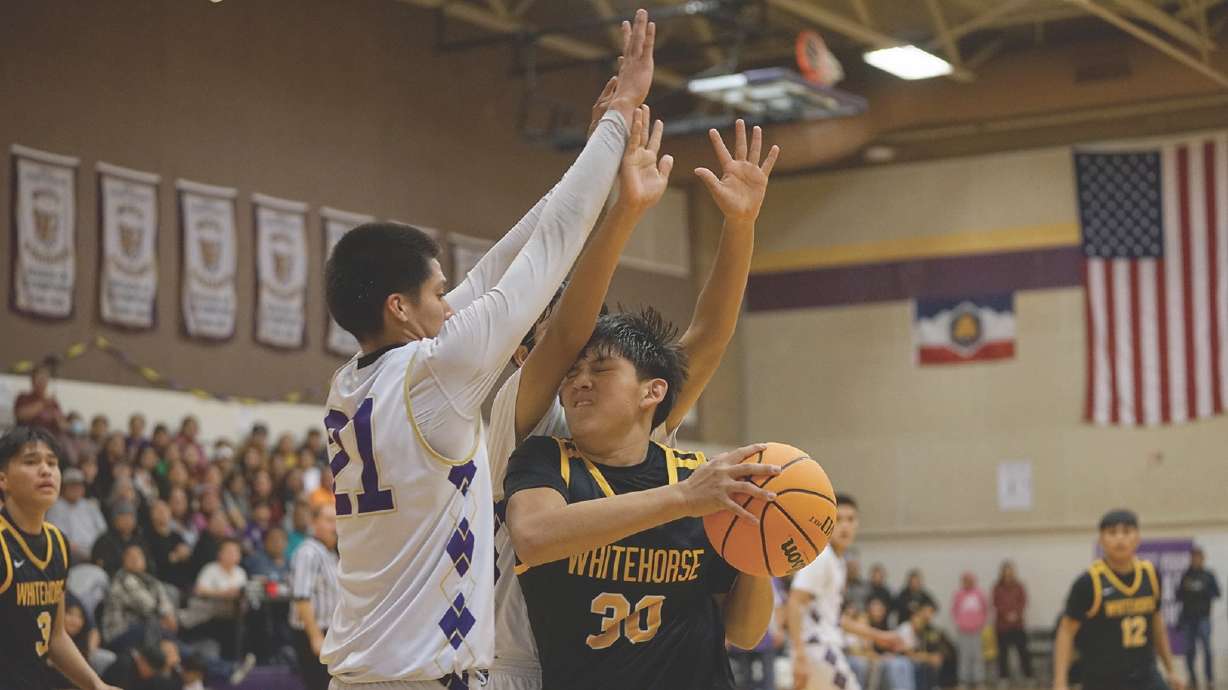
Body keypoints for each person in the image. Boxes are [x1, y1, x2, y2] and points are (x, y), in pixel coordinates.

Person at [319, 11, 654, 688]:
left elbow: (500, 262)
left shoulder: (354, 381)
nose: (452, 301)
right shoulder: (437, 372)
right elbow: (549, 247)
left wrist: (592, 156)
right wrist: (621, 114)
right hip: (424, 678)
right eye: (437, 292)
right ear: (400, 308)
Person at [486, 91, 777, 689]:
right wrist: (618, 202)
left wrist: (741, 226)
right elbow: (570, 327)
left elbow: (708, 338)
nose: (576, 372)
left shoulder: (665, 453)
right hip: (521, 661)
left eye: (596, 364)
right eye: (568, 360)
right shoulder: (528, 433)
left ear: (649, 393)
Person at [504, 306, 781, 689]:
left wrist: (758, 542)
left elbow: (745, 633)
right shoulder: (545, 460)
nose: (579, 381)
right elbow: (533, 536)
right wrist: (683, 498)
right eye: (571, 372)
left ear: (653, 391)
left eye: (600, 369)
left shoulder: (698, 477)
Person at [0, 426, 122, 690]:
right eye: (31, 462)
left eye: (52, 463)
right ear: (3, 480)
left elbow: (55, 638)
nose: (46, 470)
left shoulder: (58, 542)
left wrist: (96, 684)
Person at [1054, 509, 1184, 690]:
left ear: (1137, 538)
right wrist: (1060, 682)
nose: (1120, 539)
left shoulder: (1151, 574)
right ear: (1101, 539)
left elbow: (1156, 623)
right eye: (1112, 533)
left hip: (1146, 676)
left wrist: (1171, 670)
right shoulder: (1089, 582)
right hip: (1103, 679)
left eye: (1126, 532)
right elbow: (1066, 631)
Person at [788, 495, 905, 690]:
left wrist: (878, 636)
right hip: (817, 649)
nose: (845, 526)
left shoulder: (839, 562)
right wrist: (799, 654)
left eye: (850, 519)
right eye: (838, 519)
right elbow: (794, 601)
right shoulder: (821, 557)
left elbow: (835, 619)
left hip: (823, 648)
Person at [289, 504, 339, 690]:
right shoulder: (307, 552)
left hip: (331, 631)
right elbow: (301, 597)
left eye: (336, 521)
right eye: (329, 521)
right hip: (312, 632)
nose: (334, 526)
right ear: (314, 522)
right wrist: (315, 636)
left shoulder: (332, 553)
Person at [100, 542, 178, 654]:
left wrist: (169, 615)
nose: (135, 559)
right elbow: (146, 605)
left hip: (144, 630)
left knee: (163, 632)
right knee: (154, 629)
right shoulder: (122, 579)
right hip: (119, 635)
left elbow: (165, 602)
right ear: (123, 561)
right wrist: (164, 616)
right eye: (130, 556)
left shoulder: (152, 581)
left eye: (139, 555)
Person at [1177, 546, 1219, 690]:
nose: (1195, 560)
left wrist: (1203, 591)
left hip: (1203, 618)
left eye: (1198, 557)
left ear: (1203, 558)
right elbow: (1178, 596)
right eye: (1193, 557)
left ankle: (1209, 680)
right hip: (1188, 619)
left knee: (1207, 650)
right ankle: (1192, 680)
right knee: (1189, 651)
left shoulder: (1208, 575)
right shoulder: (1186, 576)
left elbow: (1217, 593)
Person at [47, 467, 108, 564]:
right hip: (71, 556)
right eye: (72, 486)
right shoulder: (55, 508)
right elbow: (58, 538)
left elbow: (103, 531)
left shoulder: (91, 505)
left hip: (95, 552)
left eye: (79, 486)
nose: (76, 489)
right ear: (63, 488)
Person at [992, 560, 1032, 683]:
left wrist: (1016, 614)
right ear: (1002, 573)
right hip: (1002, 626)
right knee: (1003, 654)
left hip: (1018, 625)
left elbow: (1023, 601)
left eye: (1010, 572)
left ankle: (1029, 676)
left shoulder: (1019, 586)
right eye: (1006, 572)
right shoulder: (997, 587)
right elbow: (996, 603)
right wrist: (1006, 614)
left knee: (1023, 652)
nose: (1008, 575)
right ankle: (1004, 677)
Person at [90, 498, 151, 577]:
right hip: (115, 581)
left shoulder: (140, 540)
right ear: (115, 520)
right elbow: (101, 567)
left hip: (143, 580)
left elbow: (150, 564)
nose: (127, 521)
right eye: (123, 517)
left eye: (130, 517)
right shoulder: (103, 541)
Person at [147, 499, 194, 594]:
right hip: (161, 582)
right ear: (152, 514)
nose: (163, 514)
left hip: (183, 582)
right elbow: (153, 562)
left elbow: (187, 554)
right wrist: (175, 557)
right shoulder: (148, 537)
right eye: (159, 511)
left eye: (165, 510)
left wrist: (186, 554)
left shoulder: (176, 536)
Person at [951, 571, 988, 689]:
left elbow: (985, 610)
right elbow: (954, 610)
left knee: (978, 656)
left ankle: (979, 680)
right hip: (963, 630)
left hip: (977, 630)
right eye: (965, 580)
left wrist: (981, 623)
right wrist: (959, 622)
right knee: (964, 656)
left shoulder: (979, 594)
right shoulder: (958, 594)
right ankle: (963, 680)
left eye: (970, 580)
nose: (968, 583)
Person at [897, 603, 944, 690]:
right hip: (901, 659)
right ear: (912, 618)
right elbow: (909, 654)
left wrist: (934, 657)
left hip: (916, 659)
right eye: (917, 618)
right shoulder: (906, 629)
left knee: (930, 664)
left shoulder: (925, 631)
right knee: (919, 665)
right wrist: (929, 657)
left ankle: (933, 686)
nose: (919, 621)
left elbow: (931, 648)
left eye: (921, 620)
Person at [13, 359, 67, 435]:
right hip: (27, 437)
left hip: (49, 439)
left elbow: (64, 426)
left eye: (44, 379)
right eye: (38, 379)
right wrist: (43, 404)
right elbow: (21, 416)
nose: (41, 383)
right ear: (32, 381)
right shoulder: (23, 397)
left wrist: (58, 419)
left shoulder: (53, 402)